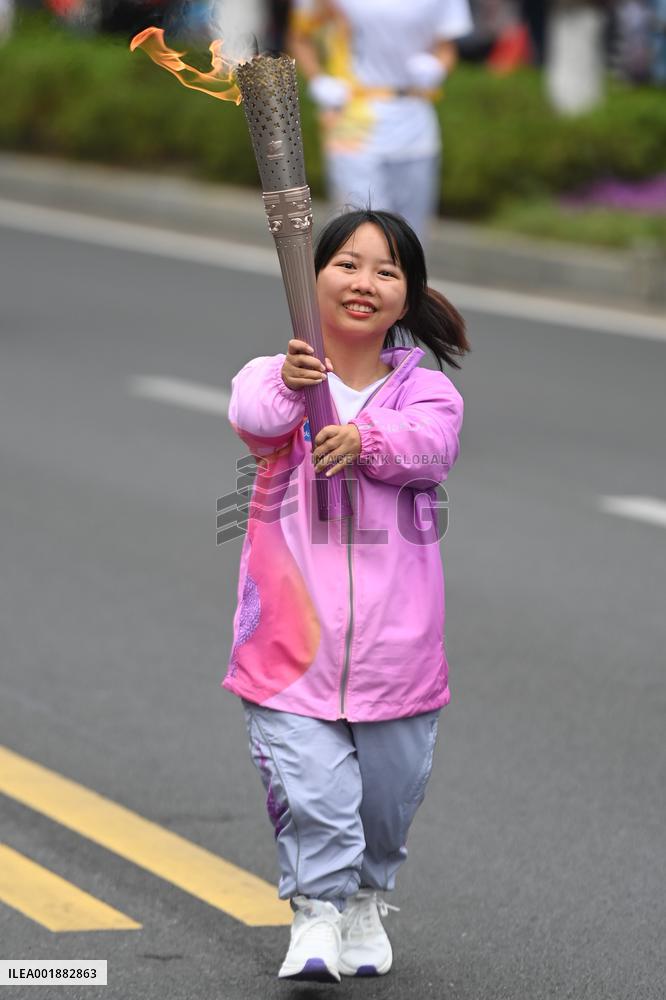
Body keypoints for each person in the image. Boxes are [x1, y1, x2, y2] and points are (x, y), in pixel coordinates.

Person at [223, 209, 470, 982]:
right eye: (348, 264)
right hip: (291, 646)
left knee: (385, 805)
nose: (365, 282)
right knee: (317, 796)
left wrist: (367, 442)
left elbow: (432, 449)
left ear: (407, 296)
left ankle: (366, 897)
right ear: (313, 276)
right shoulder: (277, 376)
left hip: (398, 649)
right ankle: (315, 915)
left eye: (386, 270)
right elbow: (253, 418)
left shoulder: (425, 393)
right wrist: (299, 388)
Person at [287, 0, 474, 245]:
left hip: (415, 116)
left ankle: (409, 284)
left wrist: (438, 67)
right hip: (354, 117)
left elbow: (446, 47)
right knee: (362, 233)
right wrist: (318, 80)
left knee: (412, 239)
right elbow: (300, 37)